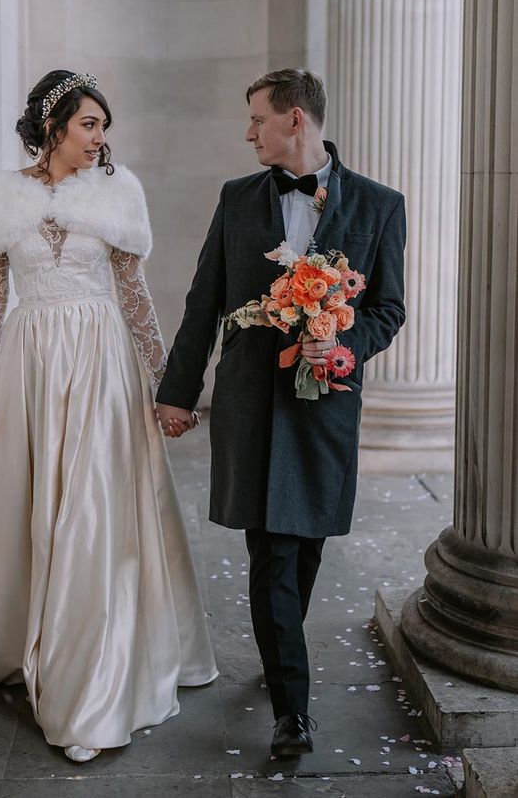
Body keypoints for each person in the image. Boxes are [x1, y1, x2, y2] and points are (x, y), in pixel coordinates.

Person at [0, 69, 217, 764]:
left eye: (103, 126)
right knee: (27, 505)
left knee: (93, 513)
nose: (101, 137)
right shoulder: (2, 196)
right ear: (54, 124)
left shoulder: (119, 193)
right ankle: (12, 641)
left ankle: (87, 683)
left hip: (100, 368)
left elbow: (135, 297)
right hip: (30, 366)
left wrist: (168, 385)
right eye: (89, 124)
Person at [156, 68, 406, 759]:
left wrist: (343, 339)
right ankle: (293, 713)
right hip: (249, 403)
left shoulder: (382, 206)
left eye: (257, 120)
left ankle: (278, 652)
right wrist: (177, 390)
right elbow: (204, 299)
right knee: (271, 551)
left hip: (325, 408)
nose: (249, 133)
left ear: (295, 119)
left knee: (304, 548)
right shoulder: (237, 200)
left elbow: (388, 308)